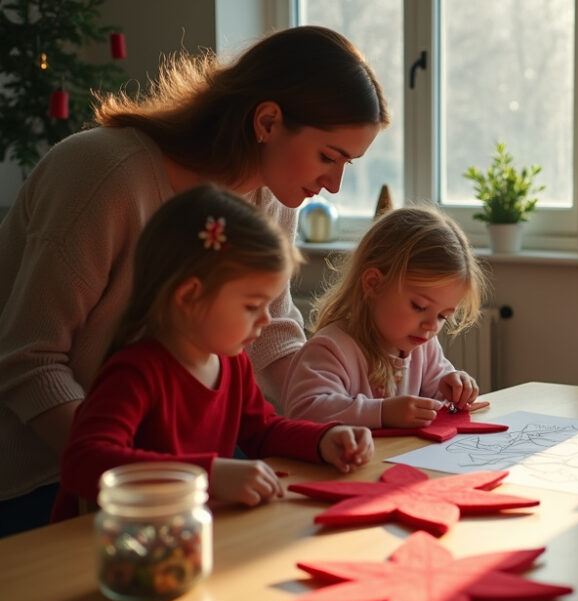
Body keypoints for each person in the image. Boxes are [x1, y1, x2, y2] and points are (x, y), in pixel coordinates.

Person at [0, 25, 388, 536]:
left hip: (171, 474)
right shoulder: (103, 175)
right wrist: (160, 474)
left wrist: (332, 421)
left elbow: (271, 331)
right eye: (328, 157)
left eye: (348, 164)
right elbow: (29, 362)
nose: (334, 186)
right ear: (268, 120)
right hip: (47, 480)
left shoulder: (270, 194)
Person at [54, 185, 374, 522]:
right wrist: (208, 476)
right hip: (109, 546)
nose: (266, 319)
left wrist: (324, 439)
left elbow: (261, 431)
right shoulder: (135, 372)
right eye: (252, 306)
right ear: (190, 295)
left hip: (181, 535)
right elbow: (84, 462)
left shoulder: (232, 363)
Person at [281, 207, 488, 428]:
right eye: (419, 307)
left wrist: (455, 386)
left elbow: (439, 390)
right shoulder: (331, 348)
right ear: (374, 284)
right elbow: (304, 410)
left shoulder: (423, 346)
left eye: (442, 316)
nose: (431, 326)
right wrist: (382, 412)